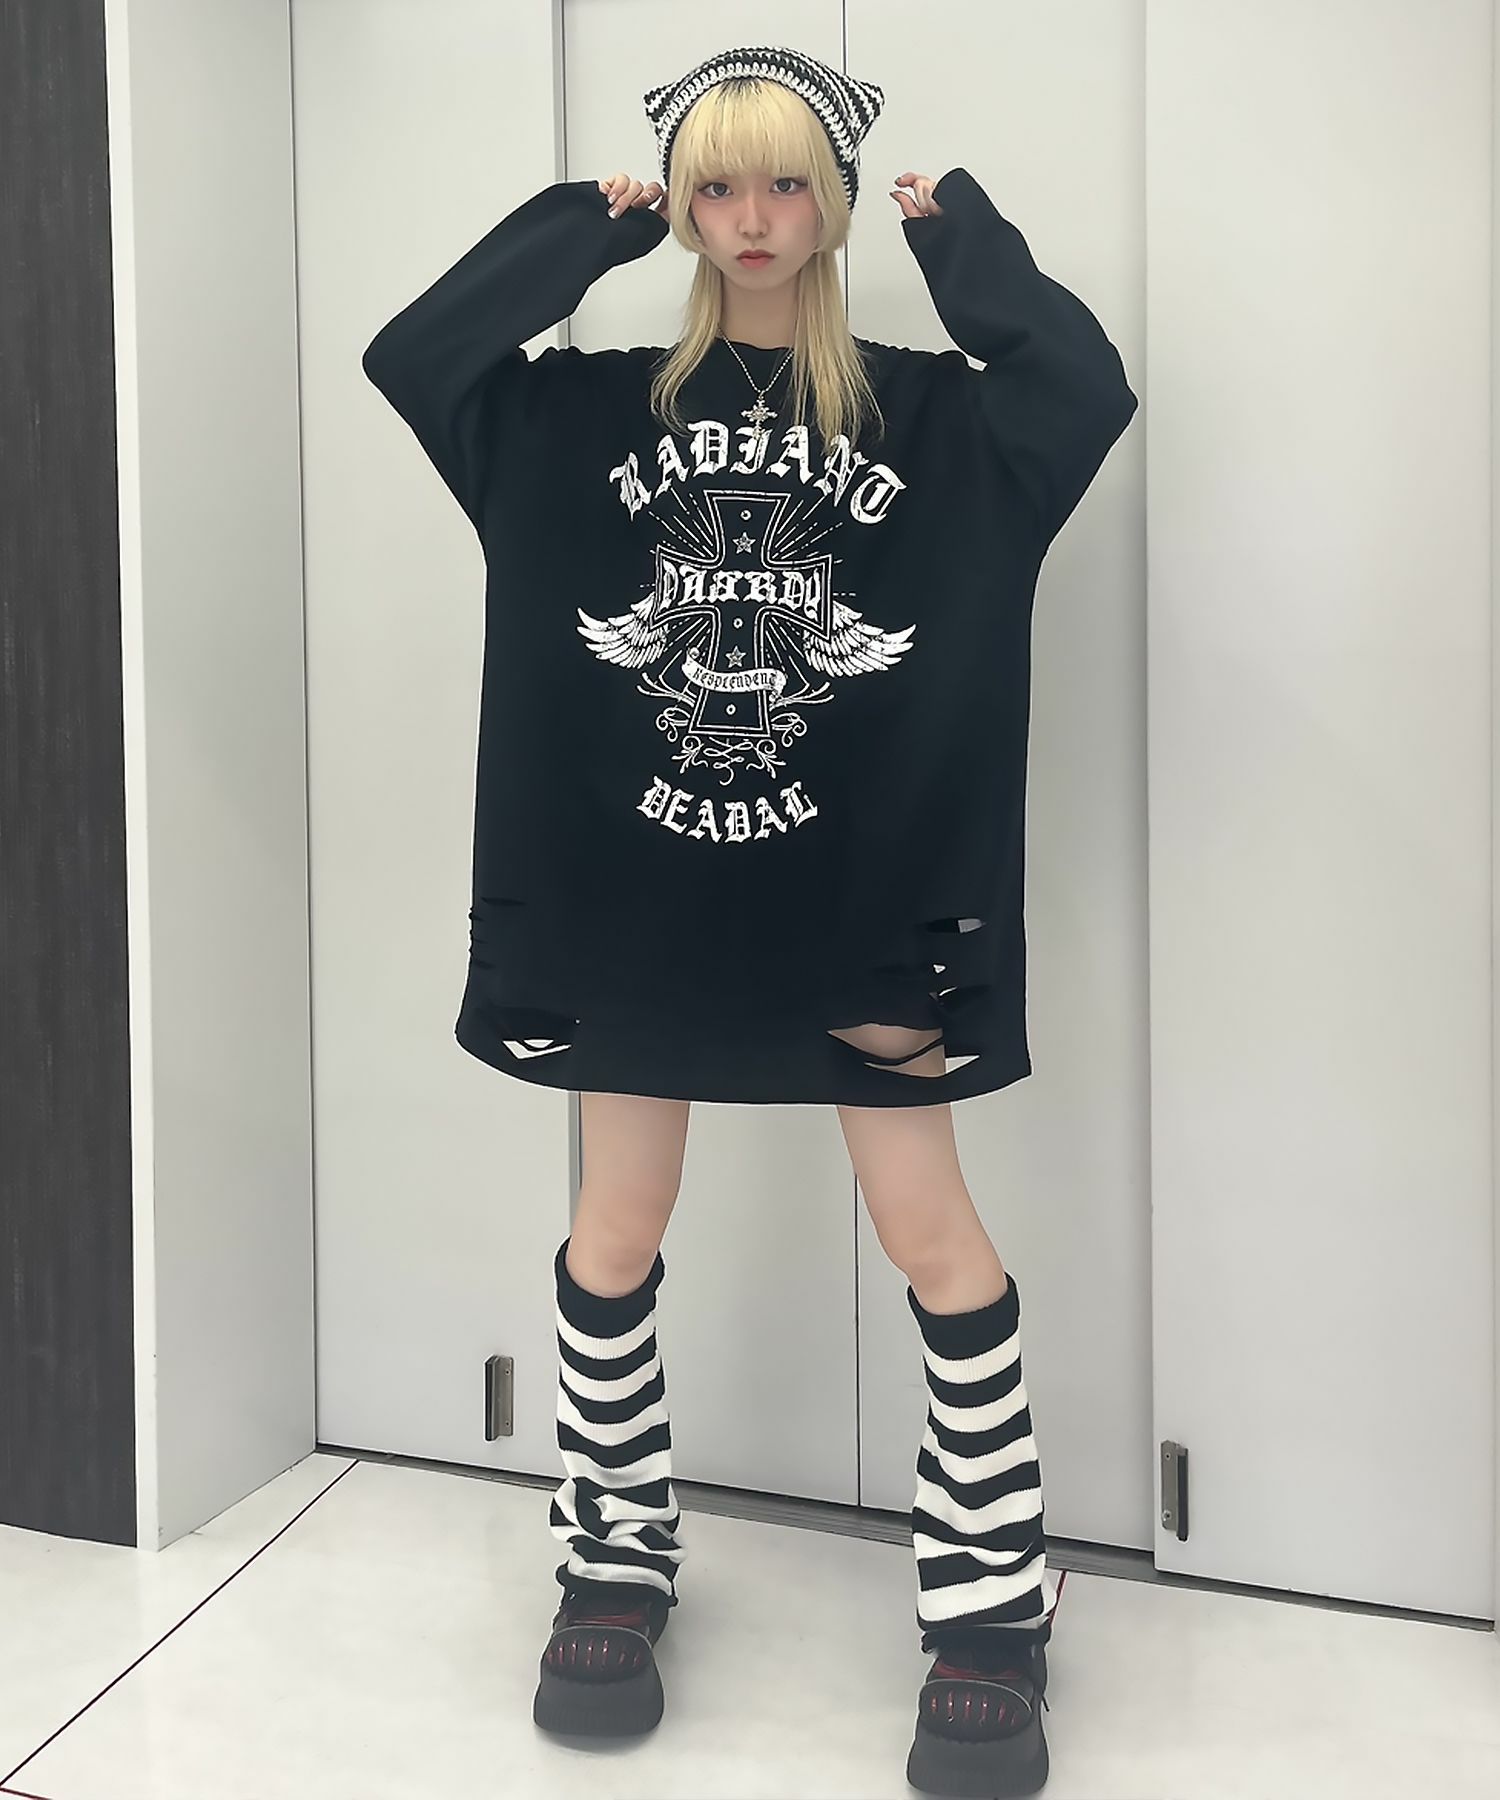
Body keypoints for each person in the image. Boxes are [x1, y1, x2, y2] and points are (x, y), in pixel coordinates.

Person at [362, 41, 1135, 1797]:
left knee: (930, 1231)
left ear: (836, 201)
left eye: (789, 181)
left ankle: (989, 1601)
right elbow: (419, 356)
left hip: (865, 898)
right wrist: (578, 232)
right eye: (717, 184)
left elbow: (1082, 387)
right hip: (634, 891)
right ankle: (613, 1558)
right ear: (684, 207)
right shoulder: (577, 417)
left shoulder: (944, 420)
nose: (753, 218)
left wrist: (972, 251)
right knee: (615, 1225)